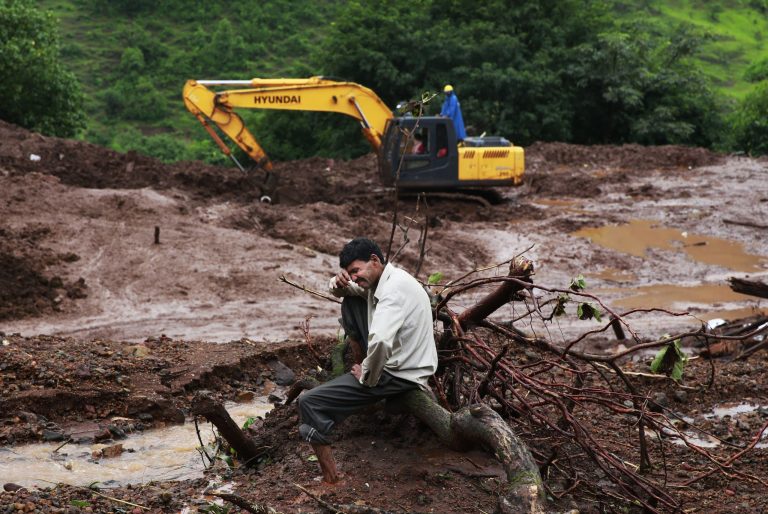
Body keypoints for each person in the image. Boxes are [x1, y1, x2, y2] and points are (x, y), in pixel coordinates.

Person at [297, 237, 438, 484]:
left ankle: (331, 480)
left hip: (399, 373)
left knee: (309, 402)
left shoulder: (392, 293)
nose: (353, 277)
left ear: (374, 260)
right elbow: (345, 290)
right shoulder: (388, 279)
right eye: (349, 273)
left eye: (356, 271)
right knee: (351, 300)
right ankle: (361, 372)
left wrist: (367, 375)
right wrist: (337, 281)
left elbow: (382, 341)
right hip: (409, 361)